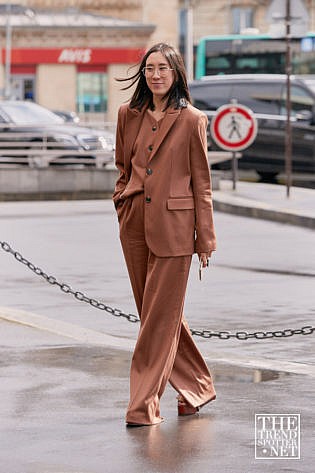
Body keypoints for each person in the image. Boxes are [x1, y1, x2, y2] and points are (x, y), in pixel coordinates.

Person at [113, 42, 216, 427]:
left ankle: (142, 404)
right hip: (134, 223)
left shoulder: (192, 120)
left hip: (175, 227)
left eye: (163, 68)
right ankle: (196, 388)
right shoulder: (128, 114)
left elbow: (201, 184)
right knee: (156, 313)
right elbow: (123, 165)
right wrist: (122, 199)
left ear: (176, 74)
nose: (156, 75)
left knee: (158, 318)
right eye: (150, 68)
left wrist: (204, 237)